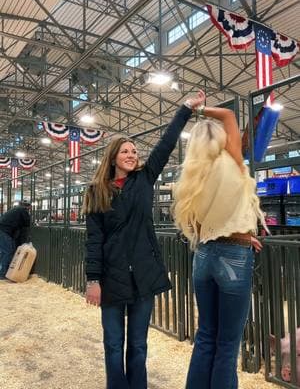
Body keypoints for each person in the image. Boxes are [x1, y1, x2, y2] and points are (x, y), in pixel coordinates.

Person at [82, 90, 206, 389]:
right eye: (125, 151)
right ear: (113, 157)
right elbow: (93, 240)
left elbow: (165, 144)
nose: (132, 155)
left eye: (134, 151)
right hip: (111, 278)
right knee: (113, 344)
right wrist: (92, 280)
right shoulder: (97, 191)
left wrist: (185, 109)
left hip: (143, 276)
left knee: (137, 344)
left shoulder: (144, 178)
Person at [172, 97, 268, 389]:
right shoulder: (233, 161)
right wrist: (243, 234)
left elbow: (202, 226)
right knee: (228, 344)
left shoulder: (192, 178)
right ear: (224, 140)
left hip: (203, 256)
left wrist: (192, 109)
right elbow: (227, 114)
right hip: (234, 257)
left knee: (205, 336)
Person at [0, 200, 31, 279]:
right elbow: (28, 222)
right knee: (8, 251)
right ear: (28, 207)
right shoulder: (22, 210)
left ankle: (3, 271)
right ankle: (3, 273)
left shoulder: (16, 209)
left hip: (3, 230)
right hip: (3, 231)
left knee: (4, 251)